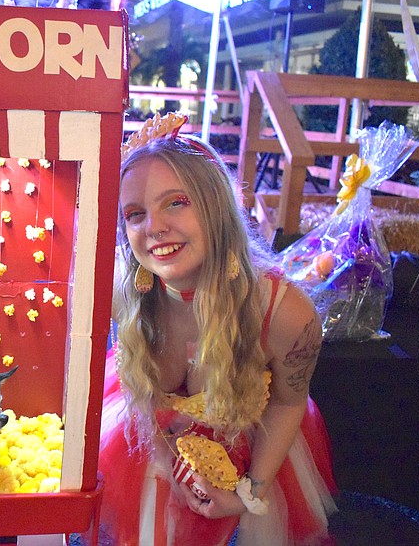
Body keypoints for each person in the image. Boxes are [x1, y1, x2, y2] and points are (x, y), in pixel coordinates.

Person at [99, 113, 338, 546]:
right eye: (135, 214)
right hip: (153, 451)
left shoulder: (285, 312)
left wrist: (249, 493)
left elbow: (287, 404)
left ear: (217, 206)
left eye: (176, 202)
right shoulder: (122, 293)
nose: (153, 227)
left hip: (258, 457)